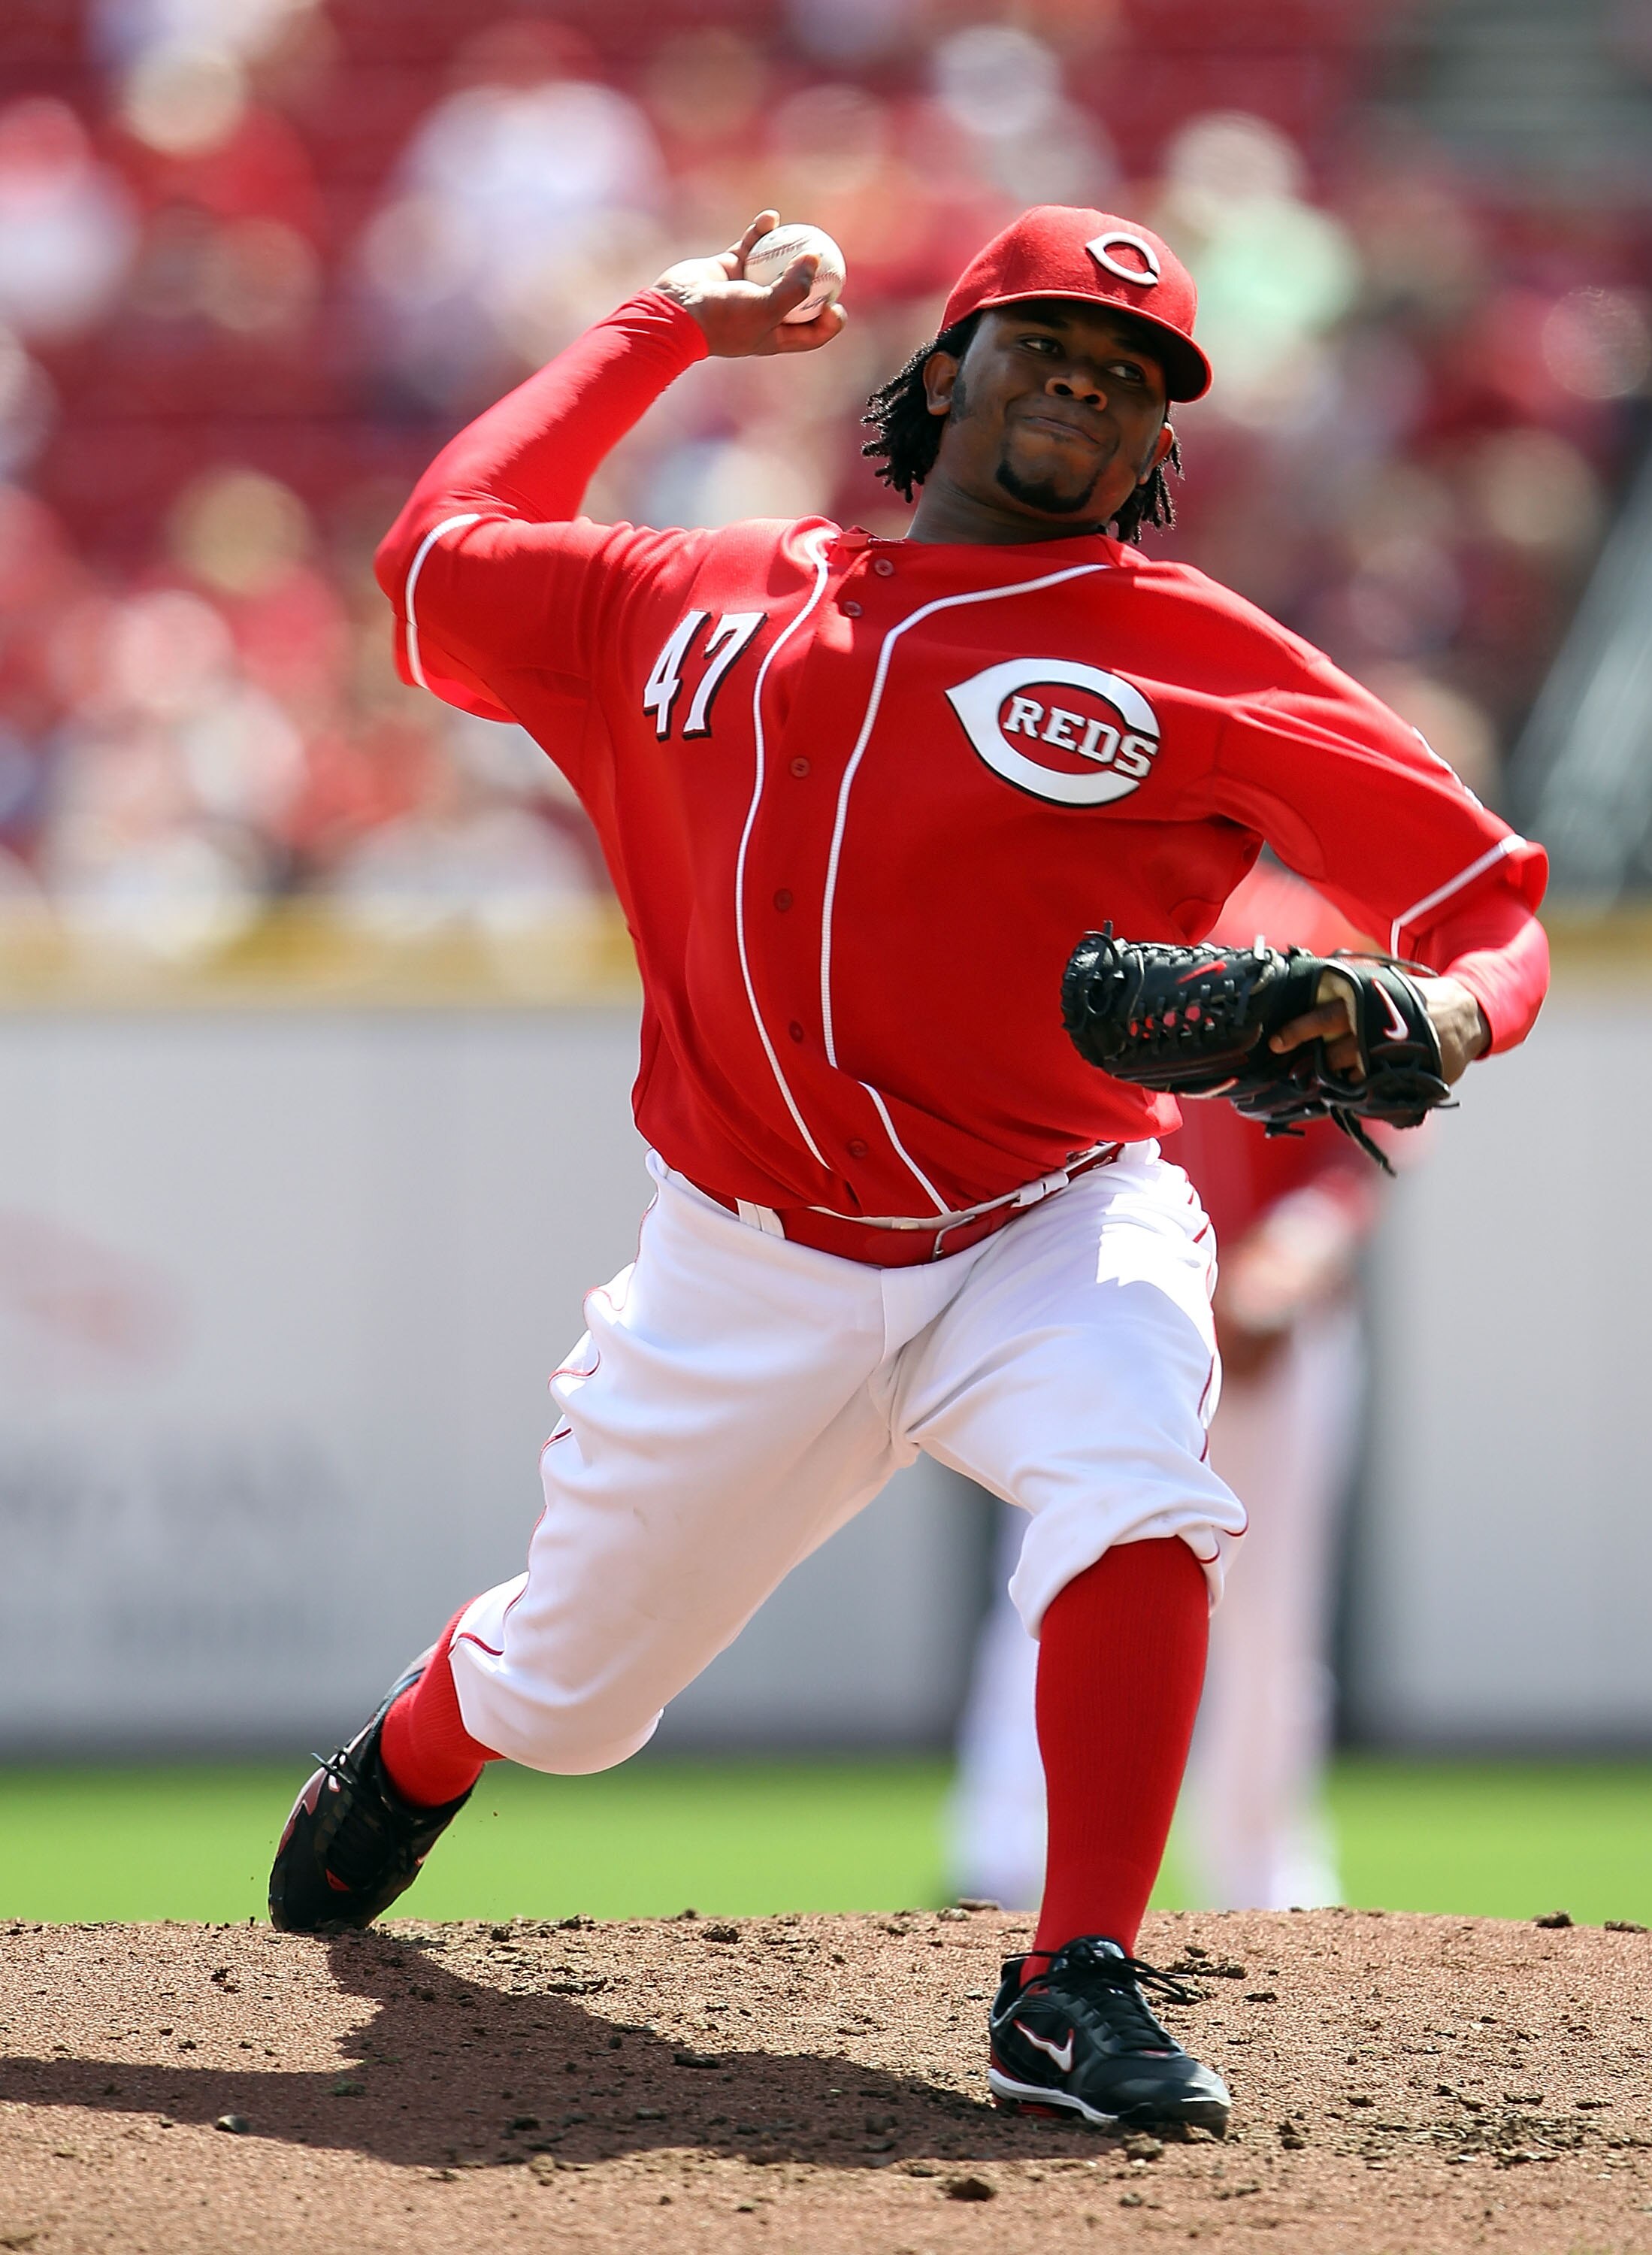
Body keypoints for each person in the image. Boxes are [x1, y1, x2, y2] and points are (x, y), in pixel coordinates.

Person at [267, 202, 1549, 2135]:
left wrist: (1444, 1019)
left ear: (1156, 454)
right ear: (943, 371)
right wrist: (657, 329)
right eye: (1043, 343)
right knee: (579, 1700)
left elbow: (1488, 904)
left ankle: (1072, 1978)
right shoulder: (688, 597)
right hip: (746, 1261)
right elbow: (433, 557)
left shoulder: (1192, 655)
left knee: (1140, 1483)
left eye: (1130, 380)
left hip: (1052, 1209)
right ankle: (432, 1739)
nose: (1083, 386)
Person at [950, 857, 1392, 1915]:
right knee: (1054, 1579)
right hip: (1119, 1310)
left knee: (1270, 1614)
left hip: (1270, 1334)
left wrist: (1288, 1263)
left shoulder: (1314, 922)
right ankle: (1001, 1863)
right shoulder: (1088, 908)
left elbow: (1361, 1149)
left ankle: (1264, 1877)